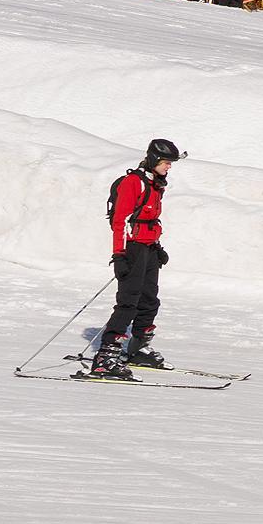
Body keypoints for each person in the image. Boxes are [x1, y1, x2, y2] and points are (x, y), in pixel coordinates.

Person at [89, 138, 184, 375]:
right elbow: (121, 221)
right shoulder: (134, 183)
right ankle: (105, 356)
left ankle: (138, 348)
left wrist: (157, 246)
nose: (169, 167)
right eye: (166, 162)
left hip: (148, 248)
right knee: (128, 302)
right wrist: (119, 255)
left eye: (171, 163)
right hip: (132, 249)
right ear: (153, 159)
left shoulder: (155, 184)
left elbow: (148, 219)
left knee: (149, 300)